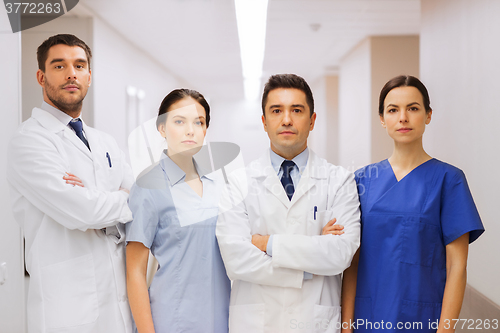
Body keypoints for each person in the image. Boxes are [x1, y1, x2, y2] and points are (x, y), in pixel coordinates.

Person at [7, 34, 134, 332]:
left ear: (89, 76)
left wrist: (96, 199)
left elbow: (141, 198)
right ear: (41, 76)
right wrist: (116, 199)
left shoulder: (106, 142)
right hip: (67, 307)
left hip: (117, 301)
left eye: (79, 65)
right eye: (59, 65)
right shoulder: (29, 141)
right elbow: (83, 212)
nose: (71, 74)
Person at [216, 74, 361, 333]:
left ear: (312, 120)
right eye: (276, 110)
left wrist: (265, 243)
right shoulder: (238, 183)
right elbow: (235, 259)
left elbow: (341, 254)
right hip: (256, 323)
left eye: (297, 110)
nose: (286, 119)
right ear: (263, 121)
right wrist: (308, 266)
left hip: (314, 321)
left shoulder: (339, 180)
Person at [341, 75, 485, 333]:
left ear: (428, 115)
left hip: (421, 319)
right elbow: (353, 262)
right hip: (368, 316)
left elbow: (457, 266)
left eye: (413, 108)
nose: (403, 118)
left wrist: (445, 330)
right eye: (393, 110)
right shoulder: (362, 180)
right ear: (382, 119)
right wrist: (346, 326)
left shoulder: (449, 180)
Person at [125, 89, 230, 333]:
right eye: (179, 121)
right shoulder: (149, 186)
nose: (190, 130)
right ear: (162, 128)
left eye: (199, 122)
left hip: (221, 317)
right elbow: (135, 272)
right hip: (172, 320)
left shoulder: (218, 185)